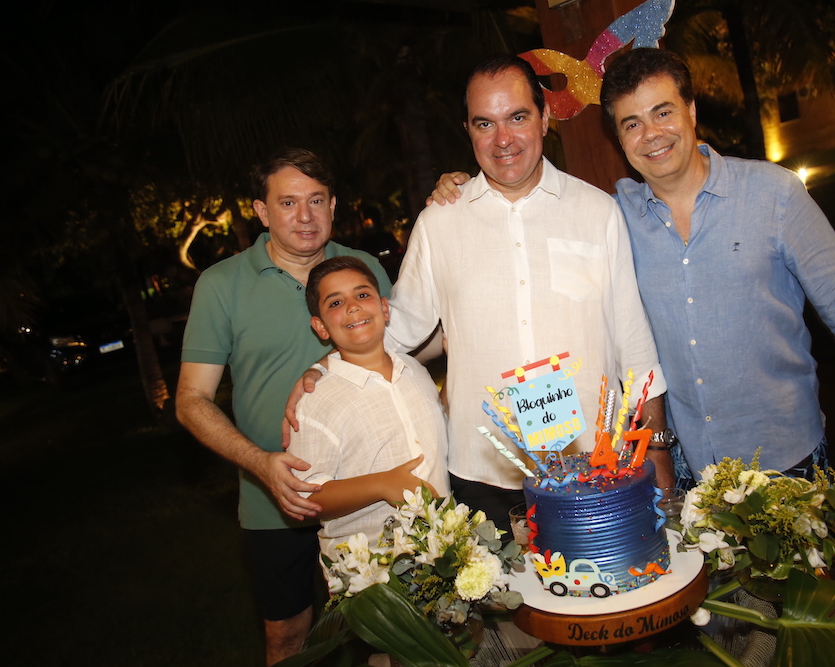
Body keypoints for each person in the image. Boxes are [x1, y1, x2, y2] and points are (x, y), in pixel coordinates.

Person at [431, 49, 835, 485]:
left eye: (663, 112)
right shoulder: (615, 217)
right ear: (618, 139)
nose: (651, 134)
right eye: (631, 123)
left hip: (785, 450)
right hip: (687, 462)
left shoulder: (774, 193)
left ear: (691, 111)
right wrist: (465, 189)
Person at [287, 55, 669, 533]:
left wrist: (658, 451)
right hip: (485, 473)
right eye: (485, 123)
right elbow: (396, 328)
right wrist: (326, 369)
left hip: (595, 462)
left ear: (545, 119)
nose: (502, 139)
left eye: (518, 117)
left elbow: (634, 343)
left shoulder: (597, 212)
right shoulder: (440, 223)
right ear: (467, 130)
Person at [175, 148, 391, 665]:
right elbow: (190, 401)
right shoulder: (221, 285)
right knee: (289, 637)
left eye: (316, 200)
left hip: (370, 487)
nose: (305, 216)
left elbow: (401, 356)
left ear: (333, 205)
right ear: (261, 211)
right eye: (288, 202)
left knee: (392, 625)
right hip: (277, 497)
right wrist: (260, 464)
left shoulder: (362, 270)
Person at [287, 256, 449, 562]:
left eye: (362, 295)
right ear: (321, 327)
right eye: (336, 303)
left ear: (385, 309)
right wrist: (380, 484)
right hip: (372, 569)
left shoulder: (415, 371)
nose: (353, 307)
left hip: (443, 549)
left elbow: (437, 434)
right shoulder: (316, 401)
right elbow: (305, 495)